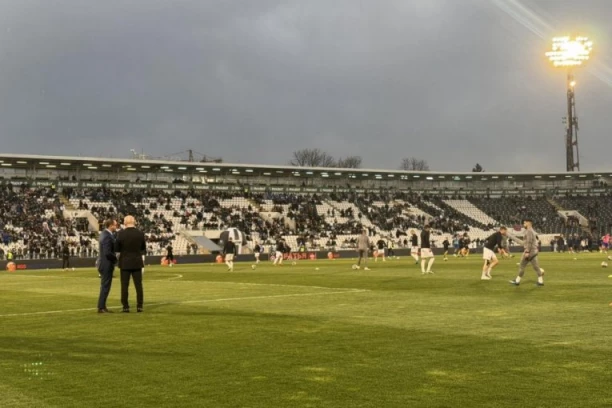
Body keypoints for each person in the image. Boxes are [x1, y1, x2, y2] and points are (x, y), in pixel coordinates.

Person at [115, 215, 146, 313]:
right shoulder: (140, 233)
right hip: (137, 261)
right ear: (134, 222)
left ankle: (125, 306)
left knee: (124, 286)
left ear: (125, 223)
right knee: (138, 285)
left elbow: (117, 248)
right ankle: (139, 306)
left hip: (125, 262)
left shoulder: (121, 234)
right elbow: (143, 248)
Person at [510, 219, 544, 286]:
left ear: (528, 223)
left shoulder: (528, 231)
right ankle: (541, 282)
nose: (523, 224)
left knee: (522, 266)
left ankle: (517, 281)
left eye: (524, 223)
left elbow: (529, 242)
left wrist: (527, 251)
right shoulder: (532, 231)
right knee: (536, 267)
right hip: (534, 252)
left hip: (529, 252)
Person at [97, 219, 118, 313]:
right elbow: (107, 253)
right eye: (115, 225)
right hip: (106, 263)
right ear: (111, 226)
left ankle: (102, 306)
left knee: (104, 286)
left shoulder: (104, 234)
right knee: (105, 286)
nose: (117, 226)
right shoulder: (107, 236)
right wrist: (116, 259)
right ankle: (101, 307)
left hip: (103, 263)